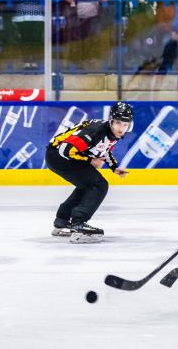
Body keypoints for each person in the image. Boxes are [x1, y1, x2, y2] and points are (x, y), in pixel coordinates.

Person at [46, 102, 132, 244]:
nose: (121, 128)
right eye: (118, 123)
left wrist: (114, 167)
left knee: (87, 184)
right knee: (99, 185)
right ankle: (78, 223)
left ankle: (62, 220)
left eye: (125, 124)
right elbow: (65, 150)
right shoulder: (96, 131)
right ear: (111, 120)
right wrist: (90, 160)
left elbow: (105, 150)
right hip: (59, 156)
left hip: (58, 156)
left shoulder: (111, 132)